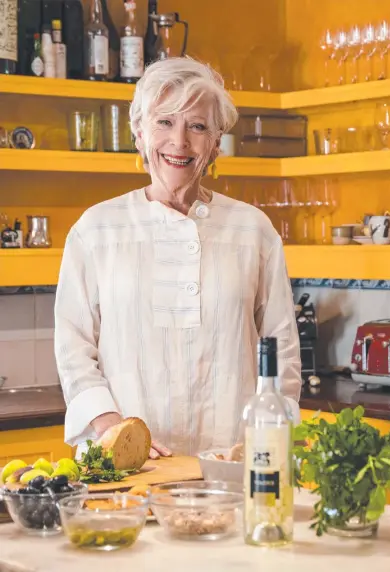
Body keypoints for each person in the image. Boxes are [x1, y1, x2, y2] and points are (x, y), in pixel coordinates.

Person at [54, 57, 302, 460]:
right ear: (139, 133)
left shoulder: (253, 230)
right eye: (165, 121)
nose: (180, 141)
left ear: (217, 142)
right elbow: (73, 344)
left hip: (231, 461)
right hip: (126, 467)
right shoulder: (96, 229)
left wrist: (268, 443)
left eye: (198, 126)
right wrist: (109, 425)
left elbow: (283, 349)